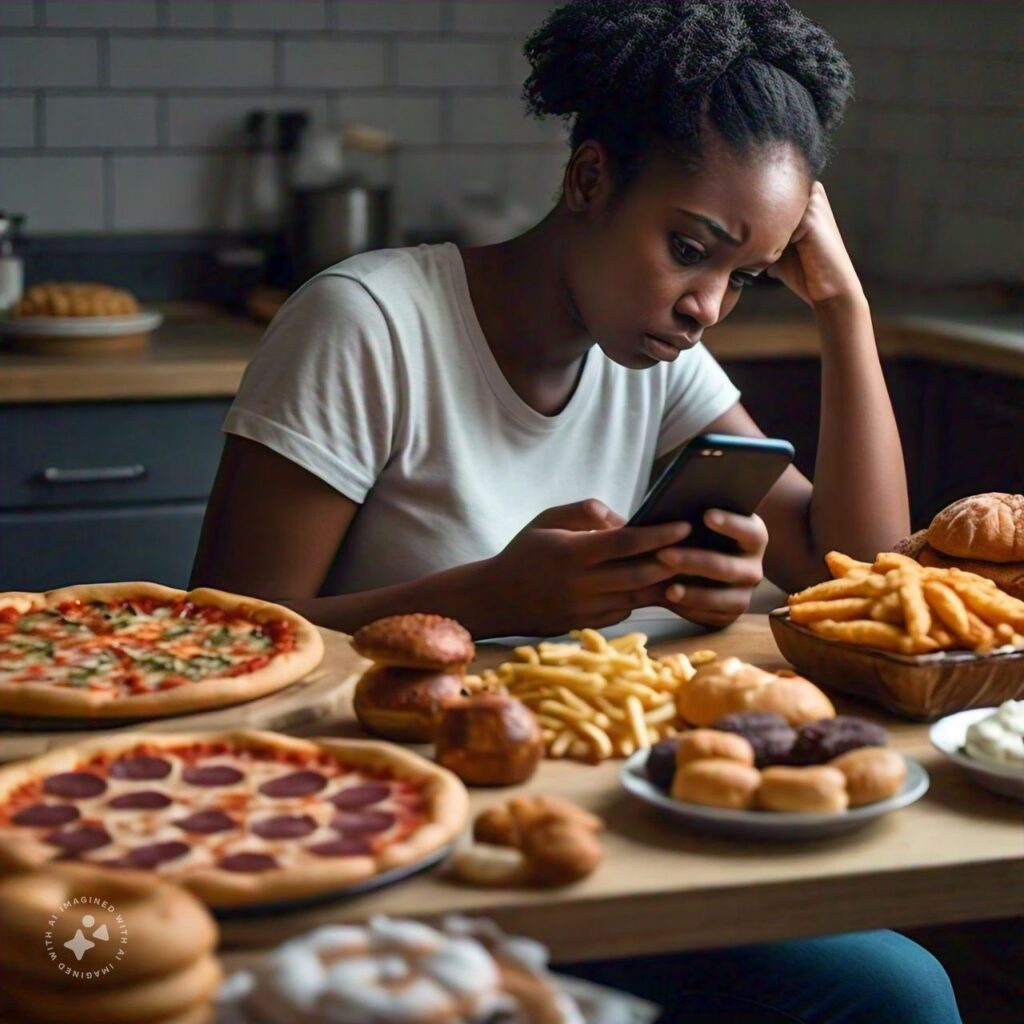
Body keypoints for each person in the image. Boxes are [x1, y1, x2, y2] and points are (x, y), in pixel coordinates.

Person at [192, 1, 960, 1020]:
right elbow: (217, 634)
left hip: (616, 826)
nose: (707, 307)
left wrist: (840, 306)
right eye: (690, 248)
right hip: (399, 847)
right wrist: (493, 597)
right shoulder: (366, 324)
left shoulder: (652, 356)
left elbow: (856, 566)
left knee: (903, 990)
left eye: (747, 278)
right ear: (588, 178)